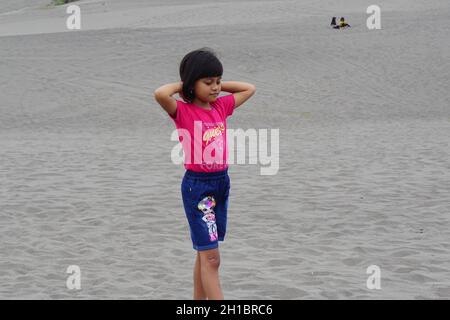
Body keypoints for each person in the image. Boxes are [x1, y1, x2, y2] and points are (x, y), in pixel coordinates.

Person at [153, 48, 256, 300]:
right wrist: (185, 85)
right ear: (191, 84)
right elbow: (160, 93)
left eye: (218, 81)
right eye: (208, 82)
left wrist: (215, 83)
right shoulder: (182, 112)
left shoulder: (220, 107)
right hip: (197, 188)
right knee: (212, 258)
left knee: (204, 253)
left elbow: (248, 88)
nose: (216, 87)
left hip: (220, 184)